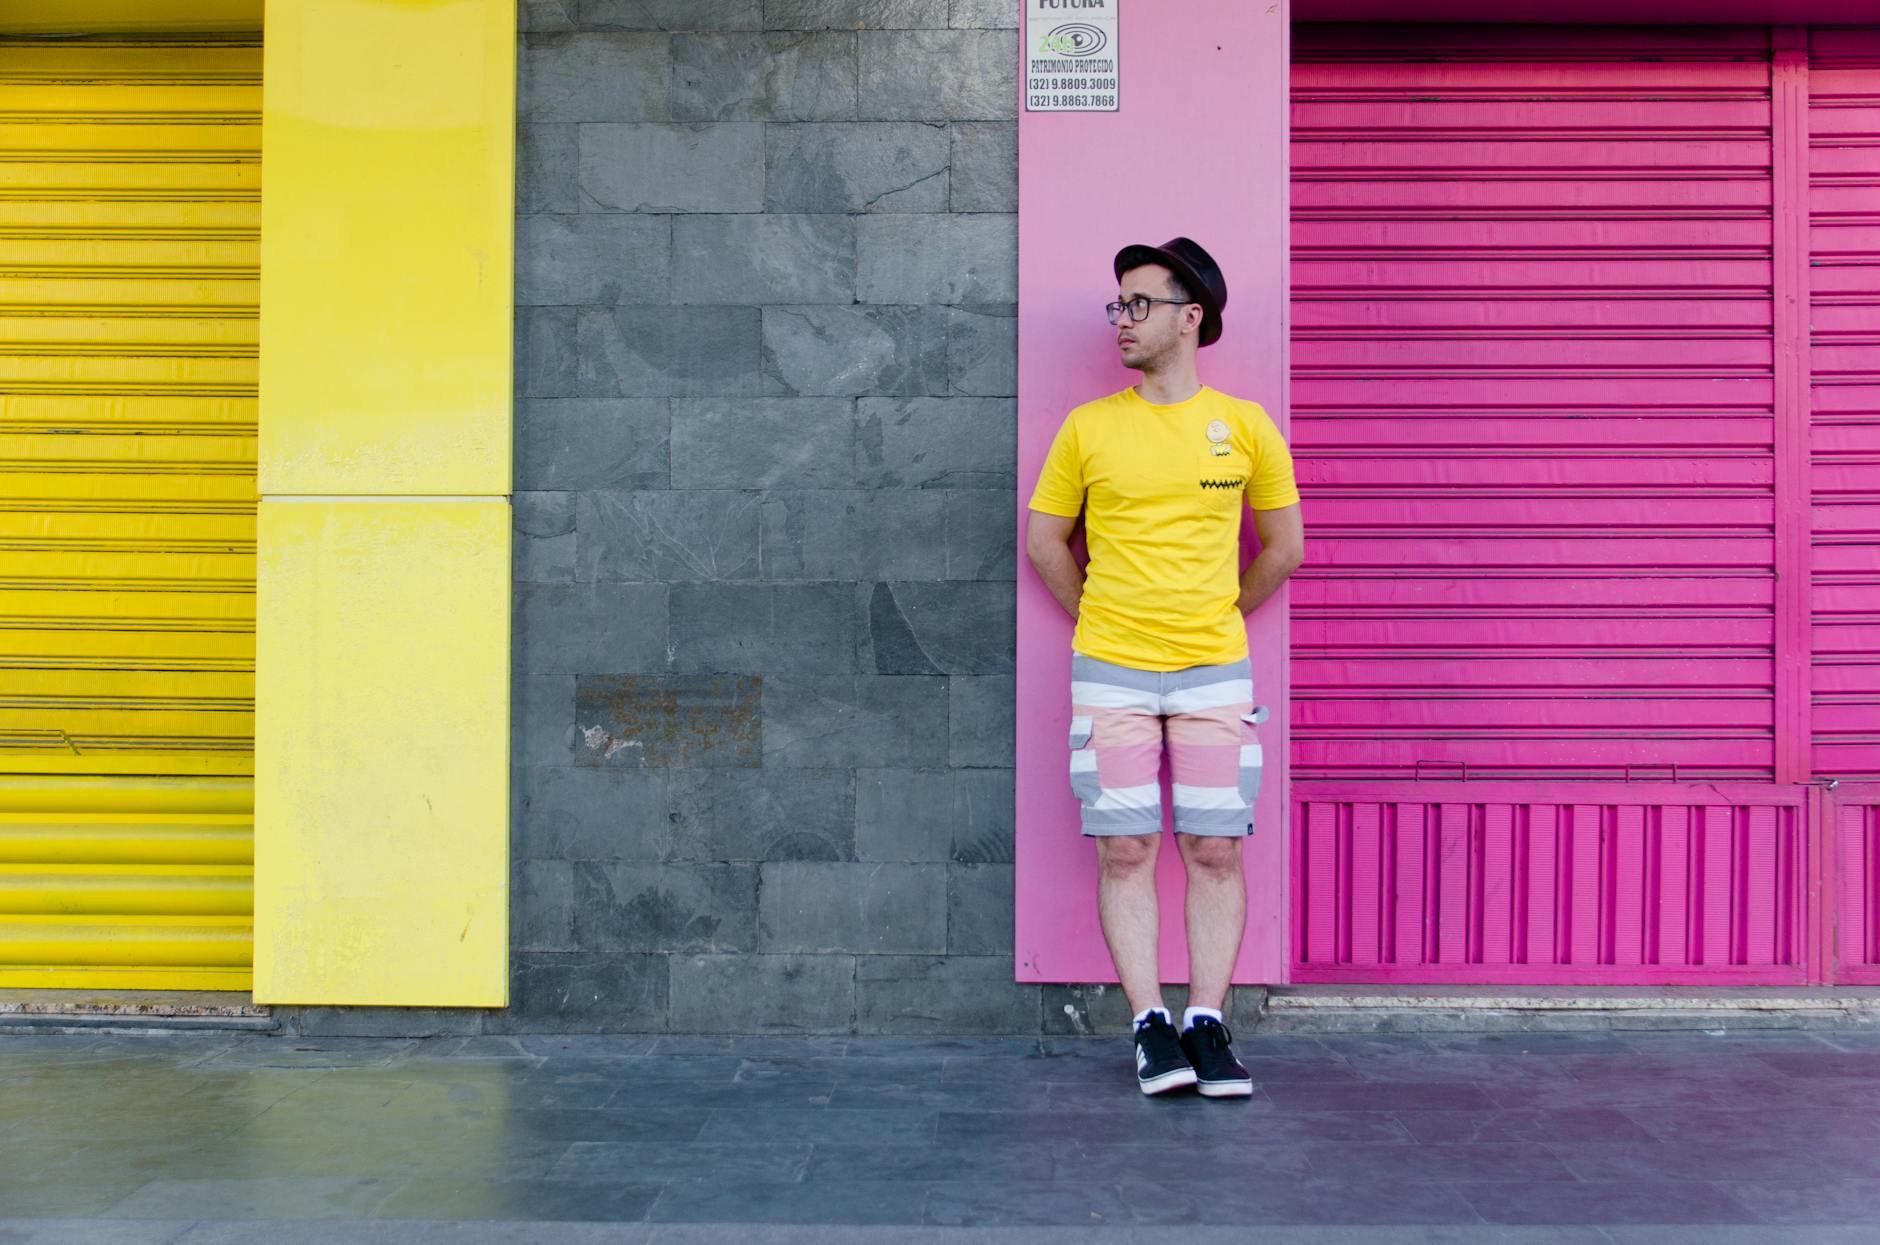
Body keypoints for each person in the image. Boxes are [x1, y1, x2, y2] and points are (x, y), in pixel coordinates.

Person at [1025, 237, 1305, 1097]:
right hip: (1111, 668)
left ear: (1192, 317)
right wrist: (1098, 617)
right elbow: (1044, 539)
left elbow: (1285, 546)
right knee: (1126, 847)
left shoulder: (1246, 426)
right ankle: (1150, 1024)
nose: (1122, 318)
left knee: (1214, 847)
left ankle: (1207, 1021)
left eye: (1139, 303)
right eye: (1119, 303)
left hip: (1214, 670)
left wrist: (1220, 612)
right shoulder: (1090, 427)